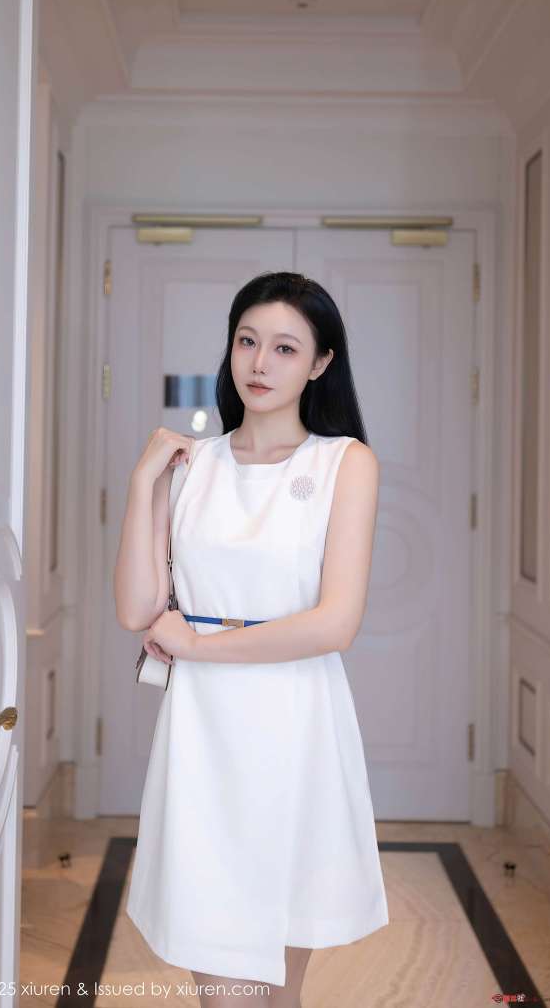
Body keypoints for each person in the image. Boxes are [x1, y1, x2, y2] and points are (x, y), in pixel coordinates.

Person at [114, 272, 389, 1008]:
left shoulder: (345, 463)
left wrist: (197, 647)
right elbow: (138, 607)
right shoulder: (190, 465)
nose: (260, 363)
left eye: (285, 348)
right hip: (203, 737)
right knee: (224, 990)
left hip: (299, 728)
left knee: (280, 994)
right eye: (247, 341)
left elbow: (334, 623)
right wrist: (144, 484)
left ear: (321, 363)